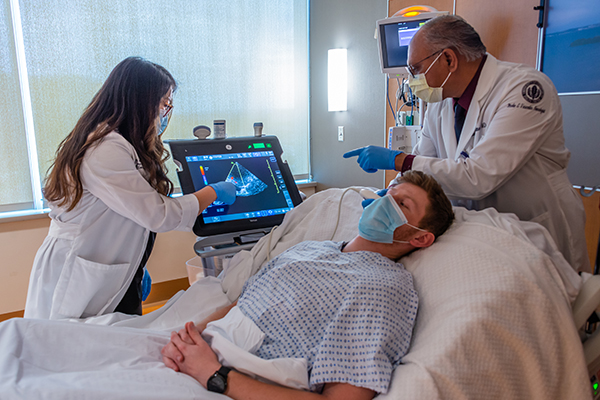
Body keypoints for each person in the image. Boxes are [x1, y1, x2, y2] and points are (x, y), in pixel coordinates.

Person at [161, 171, 455, 400]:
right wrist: (189, 336)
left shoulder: (383, 287)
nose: (385, 203)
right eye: (388, 193)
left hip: (231, 377)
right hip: (196, 352)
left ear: (420, 238)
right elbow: (242, 304)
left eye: (402, 204)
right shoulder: (311, 248)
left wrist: (214, 373)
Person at [343, 15, 589, 273]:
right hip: (484, 233)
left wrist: (397, 160)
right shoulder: (440, 105)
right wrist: (392, 197)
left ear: (449, 59)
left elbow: (480, 176)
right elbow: (419, 171)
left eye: (415, 69)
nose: (411, 80)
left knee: (561, 303)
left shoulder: (524, 88)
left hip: (538, 225)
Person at [24, 57, 237, 320]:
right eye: (163, 103)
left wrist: (135, 265)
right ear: (139, 101)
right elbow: (158, 214)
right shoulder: (104, 149)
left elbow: (132, 207)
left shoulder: (123, 145)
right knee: (68, 349)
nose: (165, 112)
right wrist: (214, 191)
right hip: (78, 273)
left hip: (113, 268)